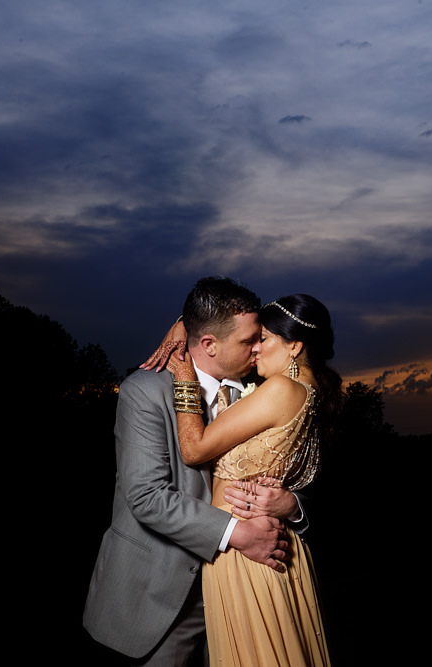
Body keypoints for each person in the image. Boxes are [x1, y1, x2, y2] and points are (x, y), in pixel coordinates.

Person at [83, 277, 300, 665]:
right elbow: (148, 498)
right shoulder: (145, 392)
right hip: (158, 596)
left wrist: (292, 503)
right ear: (209, 345)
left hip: (238, 592)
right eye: (249, 340)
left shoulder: (260, 389)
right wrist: (240, 534)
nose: (259, 347)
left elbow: (295, 468)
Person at [164, 293, 341, 667]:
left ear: (294, 346)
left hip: (245, 550)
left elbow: (194, 450)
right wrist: (186, 323)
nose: (255, 349)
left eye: (264, 339)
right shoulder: (312, 393)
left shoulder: (280, 390)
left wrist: (183, 377)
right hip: (273, 545)